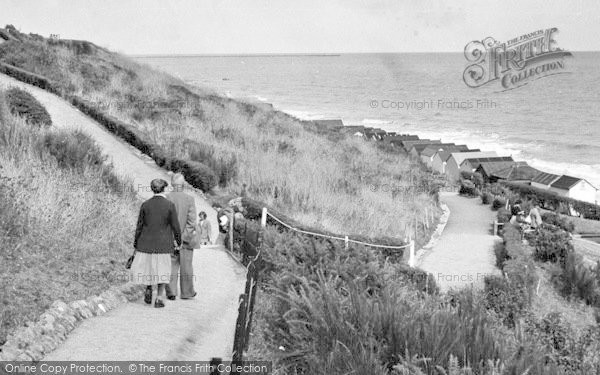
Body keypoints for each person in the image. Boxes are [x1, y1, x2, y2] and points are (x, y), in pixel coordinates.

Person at [132, 179, 181, 308]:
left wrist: (136, 243)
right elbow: (175, 226)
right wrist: (178, 241)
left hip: (146, 242)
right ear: (164, 189)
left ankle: (148, 288)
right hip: (163, 244)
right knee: (162, 271)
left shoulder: (145, 205)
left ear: (152, 189)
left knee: (148, 267)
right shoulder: (169, 205)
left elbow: (139, 226)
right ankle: (159, 297)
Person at [166, 173, 197, 300]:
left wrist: (173, 239)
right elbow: (191, 222)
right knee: (186, 266)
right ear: (183, 184)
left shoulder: (166, 198)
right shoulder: (189, 199)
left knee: (171, 264)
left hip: (170, 239)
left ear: (172, 184)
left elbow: (165, 221)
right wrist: (183, 238)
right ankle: (187, 292)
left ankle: (171, 291)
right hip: (186, 240)